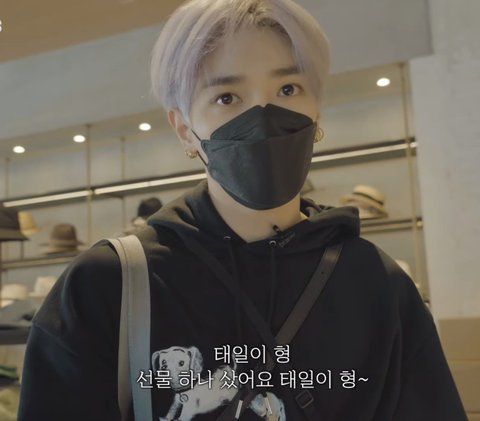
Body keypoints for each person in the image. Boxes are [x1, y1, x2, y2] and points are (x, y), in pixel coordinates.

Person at [18, 0, 467, 420]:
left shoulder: (376, 284)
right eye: (227, 97)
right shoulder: (108, 285)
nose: (263, 115)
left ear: (317, 109)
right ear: (185, 129)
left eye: (288, 88)